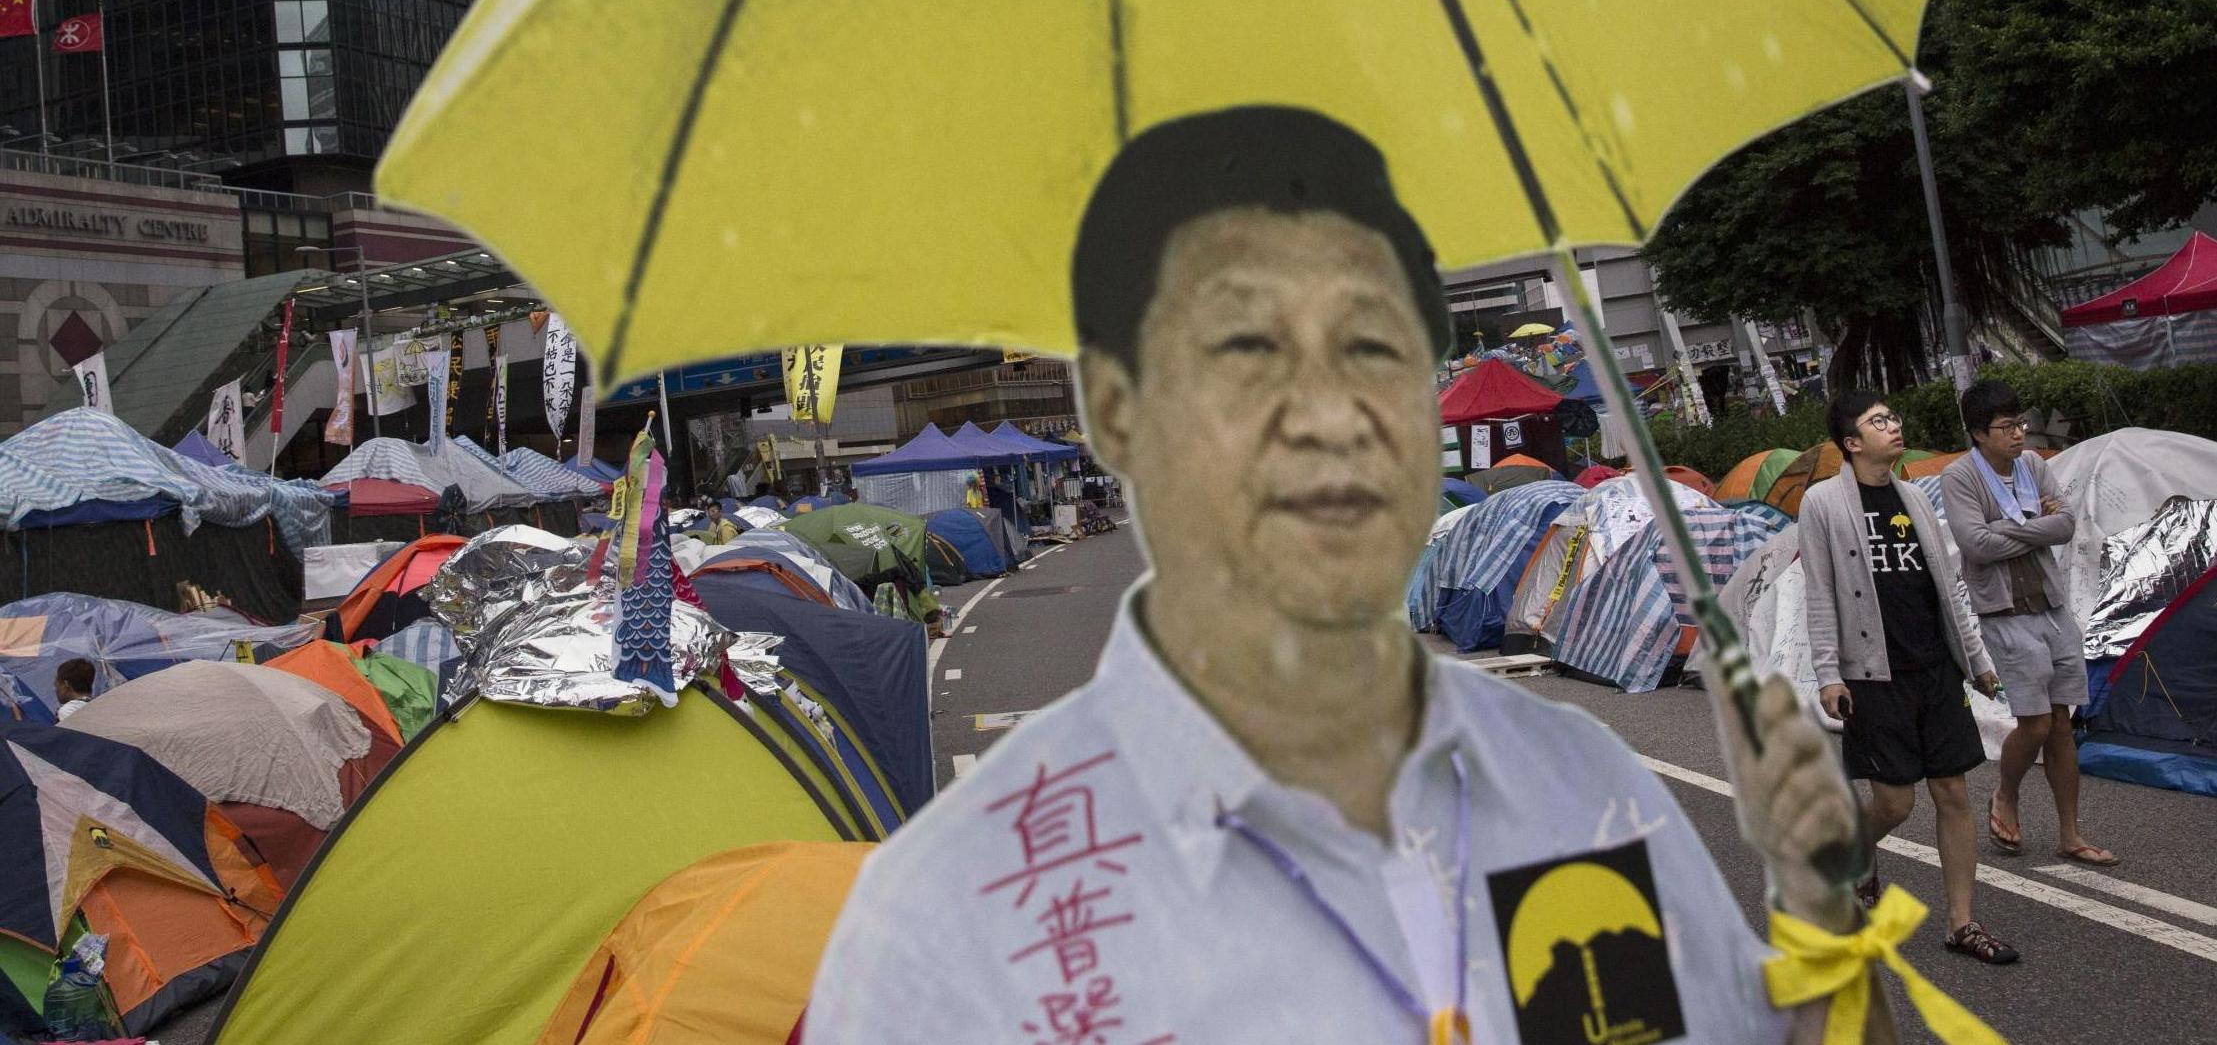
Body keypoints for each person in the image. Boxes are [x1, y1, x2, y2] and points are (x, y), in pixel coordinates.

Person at [809, 107, 1892, 1044]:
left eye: (1374, 344)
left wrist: (1820, 905)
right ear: (1117, 408)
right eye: (1247, 349)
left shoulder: (1581, 786)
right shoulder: (950, 919)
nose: (1331, 413)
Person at [1801, 391, 2015, 964]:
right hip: (1873, 673)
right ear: (1851, 443)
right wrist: (1828, 673)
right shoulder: (1822, 502)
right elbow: (1819, 593)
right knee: (1895, 803)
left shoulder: (1917, 496)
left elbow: (1948, 587)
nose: (1893, 426)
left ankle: (1962, 923)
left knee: (1952, 790)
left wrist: (1977, 662)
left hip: (1934, 666)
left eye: (1893, 417)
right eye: (1878, 421)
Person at [1940, 379, 2113, 867]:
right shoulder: (1961, 478)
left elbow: (2066, 524)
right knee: (2034, 722)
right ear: (1978, 433)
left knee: (2062, 722)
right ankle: (2006, 794)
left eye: (2021, 423)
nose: (2018, 434)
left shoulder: (2034, 466)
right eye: (2005, 427)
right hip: (2005, 613)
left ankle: (2070, 834)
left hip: (2052, 608)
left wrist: (2007, 529)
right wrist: (2032, 530)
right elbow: (1976, 545)